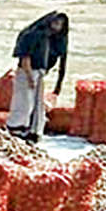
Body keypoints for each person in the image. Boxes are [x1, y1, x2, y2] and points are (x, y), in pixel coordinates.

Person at [8, 10, 70, 141]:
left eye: (60, 25)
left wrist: (57, 87)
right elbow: (25, 58)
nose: (57, 27)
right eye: (56, 23)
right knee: (24, 102)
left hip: (39, 72)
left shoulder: (51, 38)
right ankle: (17, 129)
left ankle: (33, 131)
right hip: (27, 71)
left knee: (37, 104)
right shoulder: (34, 35)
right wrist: (30, 76)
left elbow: (61, 61)